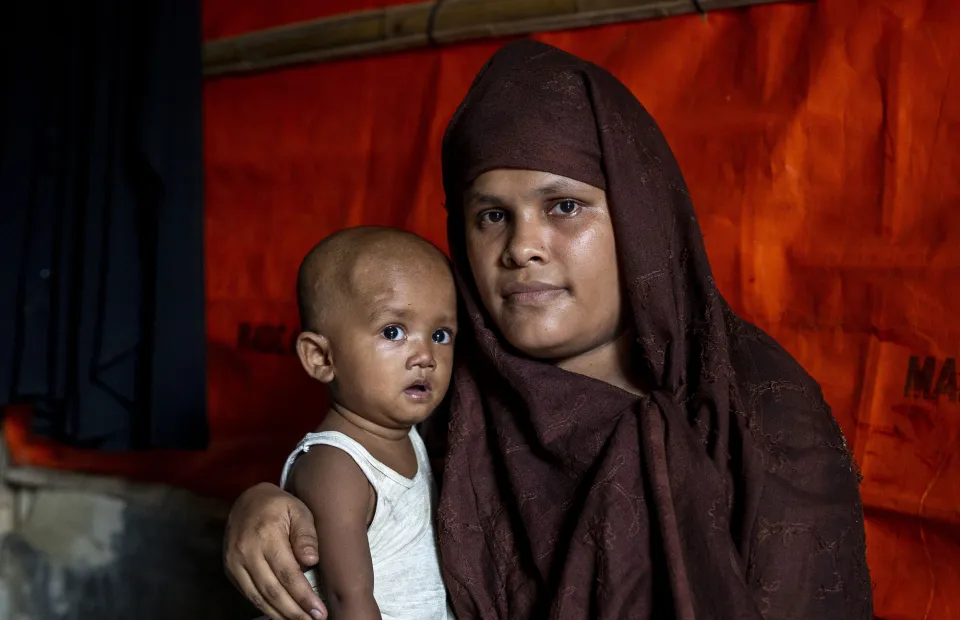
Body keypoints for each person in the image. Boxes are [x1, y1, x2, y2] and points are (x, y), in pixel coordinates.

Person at [224, 40, 873, 620]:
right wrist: (267, 508)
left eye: (564, 206)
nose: (521, 247)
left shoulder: (758, 410)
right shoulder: (448, 387)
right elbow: (359, 482)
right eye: (491, 216)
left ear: (638, 217)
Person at [265, 227, 457, 620]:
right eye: (393, 331)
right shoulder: (336, 465)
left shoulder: (408, 436)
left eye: (440, 334)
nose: (425, 356)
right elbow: (346, 600)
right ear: (321, 357)